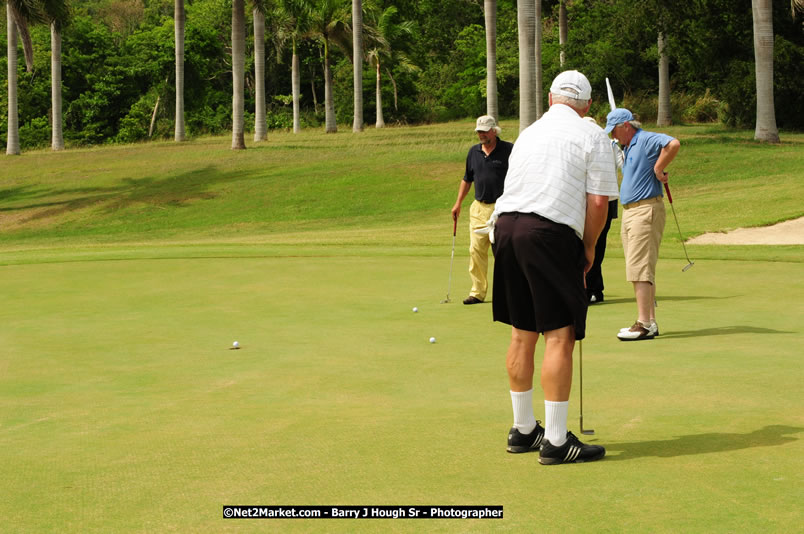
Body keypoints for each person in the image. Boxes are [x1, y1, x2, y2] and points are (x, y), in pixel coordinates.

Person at [488, 71, 619, 465]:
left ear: (549, 98)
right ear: (588, 106)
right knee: (559, 336)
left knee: (522, 333)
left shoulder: (528, 132)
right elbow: (598, 204)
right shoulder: (592, 134)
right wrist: (589, 248)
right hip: (548, 232)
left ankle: (524, 430)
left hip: (506, 227)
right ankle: (557, 441)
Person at [604, 108, 680, 341]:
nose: (613, 136)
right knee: (639, 267)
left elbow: (673, 144)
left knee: (639, 268)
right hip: (631, 212)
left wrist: (658, 168)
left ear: (627, 125)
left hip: (645, 210)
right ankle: (650, 321)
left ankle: (644, 323)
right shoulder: (626, 147)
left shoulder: (645, 138)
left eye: (615, 131)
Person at [451, 116, 513, 305]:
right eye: (479, 131)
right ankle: (477, 292)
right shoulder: (474, 152)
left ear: (494, 131)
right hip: (479, 208)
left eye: (485, 131)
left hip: (502, 208)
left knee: (503, 252)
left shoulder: (509, 150)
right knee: (476, 250)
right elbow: (467, 179)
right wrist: (458, 203)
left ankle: (507, 292)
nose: (481, 134)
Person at [583, 117, 624, 304]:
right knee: (589, 245)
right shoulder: (581, 145)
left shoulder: (610, 146)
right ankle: (591, 289)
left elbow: (623, 166)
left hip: (605, 200)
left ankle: (593, 290)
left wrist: (622, 149)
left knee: (596, 245)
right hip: (584, 200)